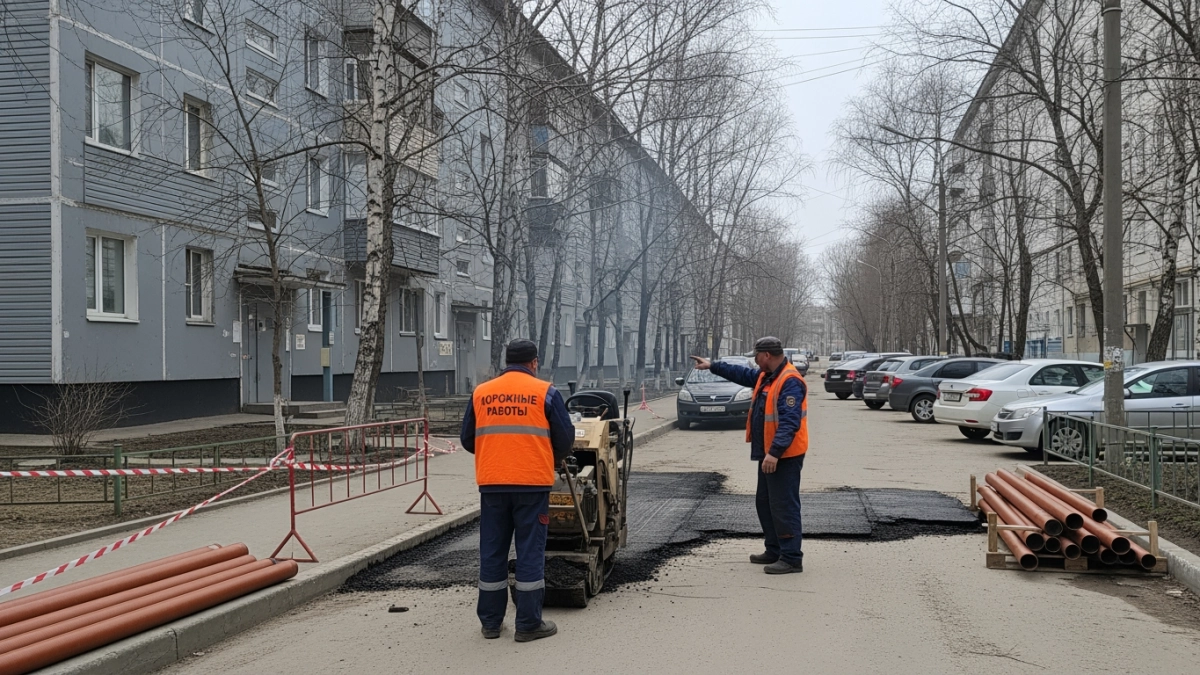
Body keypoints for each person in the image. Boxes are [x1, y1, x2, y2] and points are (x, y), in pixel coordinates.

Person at [460, 339, 575, 641]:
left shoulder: (481, 393)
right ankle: (527, 624)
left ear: (506, 361)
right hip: (531, 484)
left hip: (492, 483)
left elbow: (467, 439)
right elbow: (564, 440)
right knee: (529, 551)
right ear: (534, 363)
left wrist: (496, 450)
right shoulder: (545, 392)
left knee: (493, 551)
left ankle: (490, 623)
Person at [691, 336, 808, 574]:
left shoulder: (790, 381)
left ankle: (792, 557)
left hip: (783, 456)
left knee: (783, 504)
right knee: (765, 503)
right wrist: (712, 366)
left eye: (756, 356)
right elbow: (741, 374)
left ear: (766, 355)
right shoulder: (767, 376)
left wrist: (774, 453)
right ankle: (774, 549)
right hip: (769, 453)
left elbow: (789, 423)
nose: (754, 362)